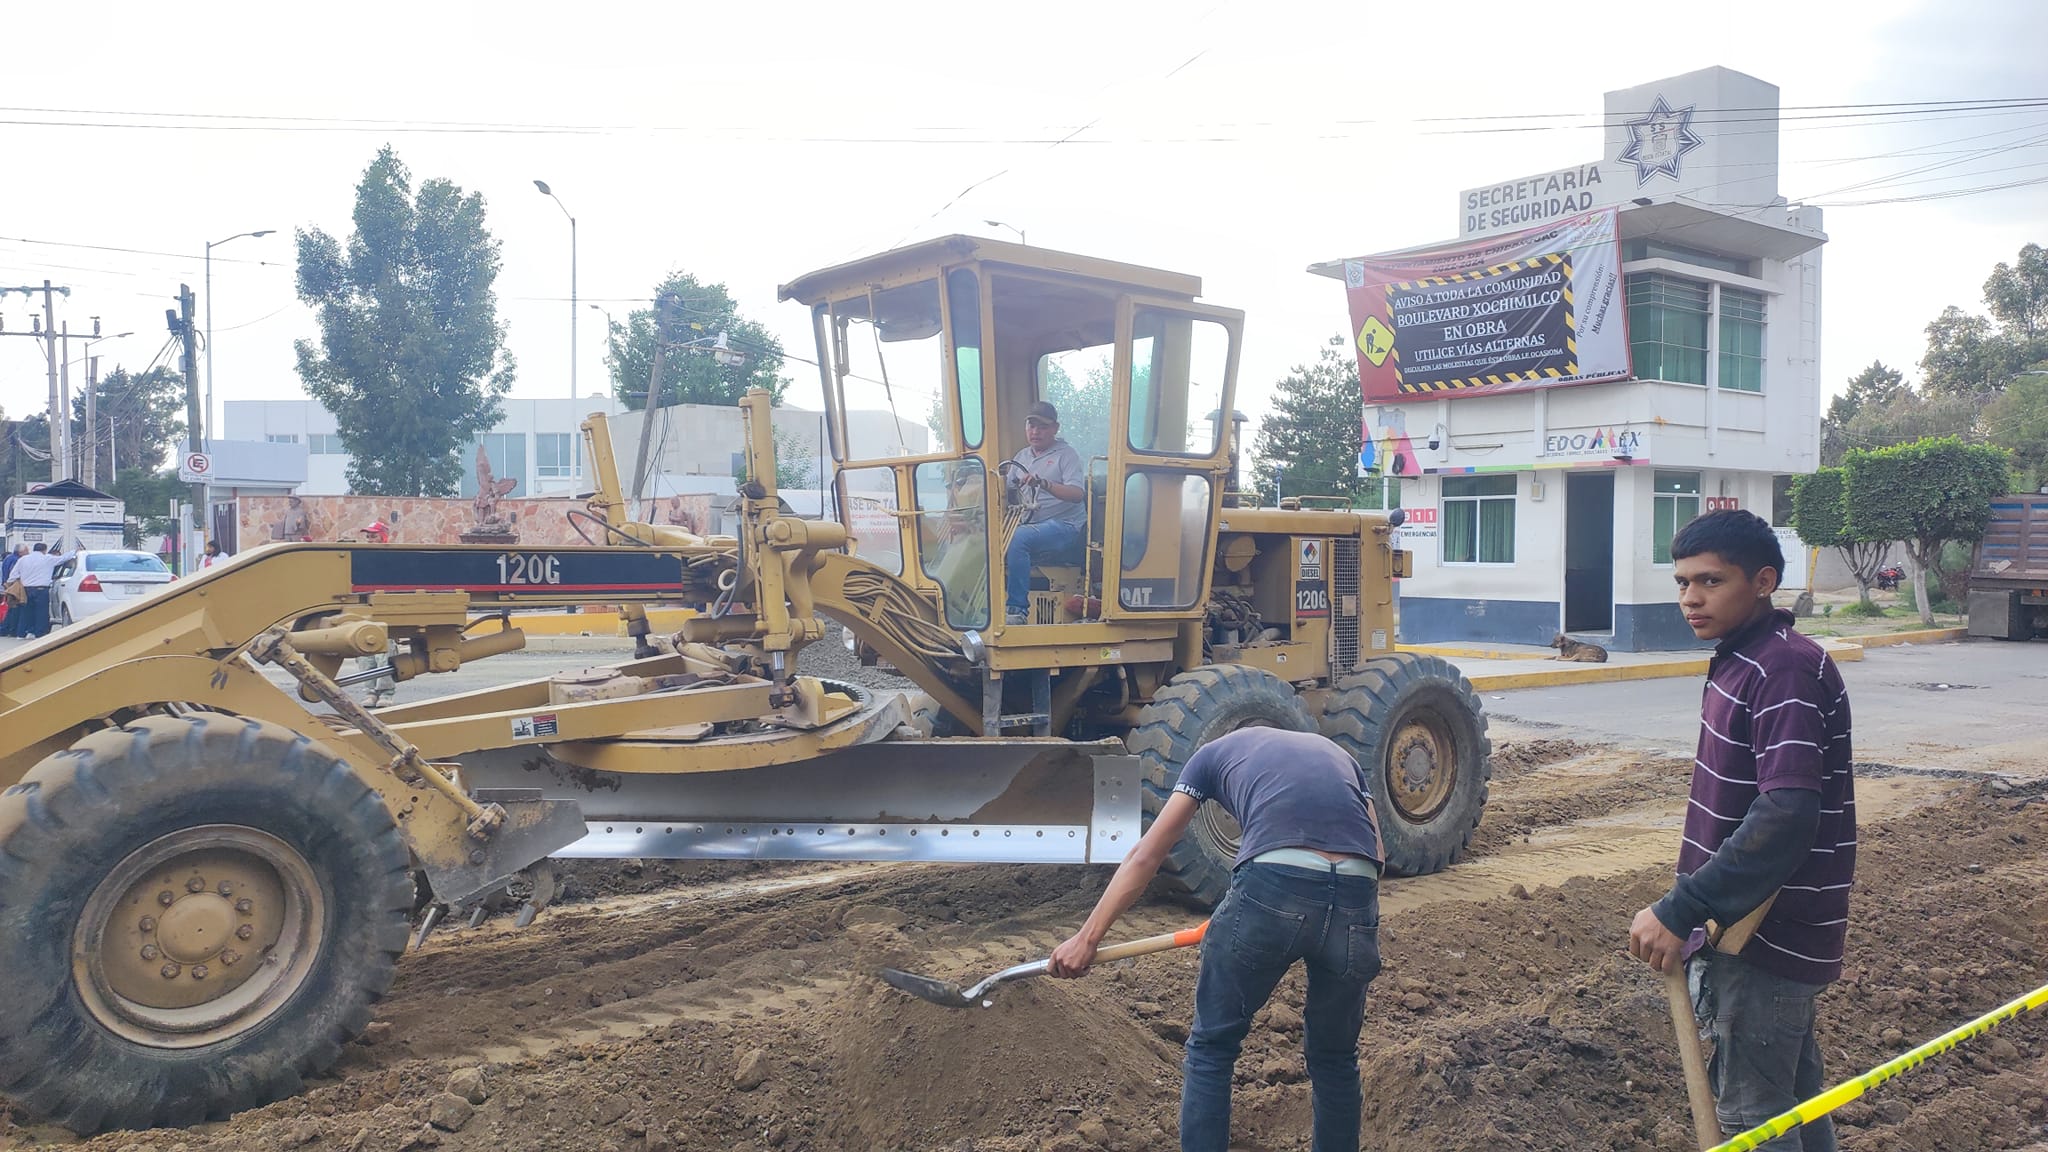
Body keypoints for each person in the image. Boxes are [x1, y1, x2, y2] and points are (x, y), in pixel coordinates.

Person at [1627, 509, 1854, 1152]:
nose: (1690, 598)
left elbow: (1786, 814)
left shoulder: (1780, 668)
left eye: (1710, 581)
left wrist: (1684, 906)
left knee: (1754, 1118)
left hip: (1765, 933)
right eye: (1681, 582)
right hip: (1748, 929)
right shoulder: (1744, 660)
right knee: (1795, 1103)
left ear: (1763, 581)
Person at [1048, 727, 1384, 1152]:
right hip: (1358, 892)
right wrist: (1331, 916)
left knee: (1212, 1047)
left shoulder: (1209, 755)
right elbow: (1378, 853)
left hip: (1273, 882)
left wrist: (1087, 937)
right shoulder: (1342, 757)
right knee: (1336, 1059)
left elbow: (1146, 854)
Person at [1002, 400, 1087, 625]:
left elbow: (1077, 493)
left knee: (1018, 538)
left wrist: (1044, 484)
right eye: (1031, 426)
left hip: (1065, 526)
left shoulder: (1066, 455)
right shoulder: (1022, 457)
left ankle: (1017, 610)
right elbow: (1007, 489)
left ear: (1055, 429)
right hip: (1032, 523)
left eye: (1042, 427)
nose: (1035, 432)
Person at [12, 541, 76, 639]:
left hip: (26, 590)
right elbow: (63, 558)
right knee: (41, 613)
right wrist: (74, 551)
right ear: (45, 550)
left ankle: (21, 634)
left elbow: (13, 575)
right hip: (42, 590)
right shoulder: (48, 558)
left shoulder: (23, 559)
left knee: (25, 612)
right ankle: (39, 634)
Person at [1, 544, 28, 638]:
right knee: (15, 610)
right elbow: (14, 573)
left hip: (8, 587)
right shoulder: (16, 560)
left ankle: (5, 629)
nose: (28, 554)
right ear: (21, 552)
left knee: (10, 609)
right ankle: (11, 630)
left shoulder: (8, 558)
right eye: (26, 551)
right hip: (14, 587)